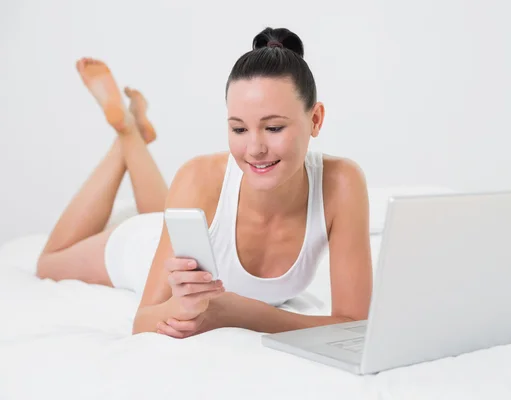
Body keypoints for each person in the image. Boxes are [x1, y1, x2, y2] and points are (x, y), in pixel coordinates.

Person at [36, 27, 373, 338]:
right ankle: (126, 131)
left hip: (183, 227)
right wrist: (180, 306)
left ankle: (134, 130)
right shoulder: (200, 177)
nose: (255, 149)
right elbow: (143, 321)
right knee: (48, 262)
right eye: (239, 129)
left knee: (162, 211)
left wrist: (240, 312)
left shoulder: (341, 184)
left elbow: (353, 325)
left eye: (273, 128)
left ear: (315, 119)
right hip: (144, 247)